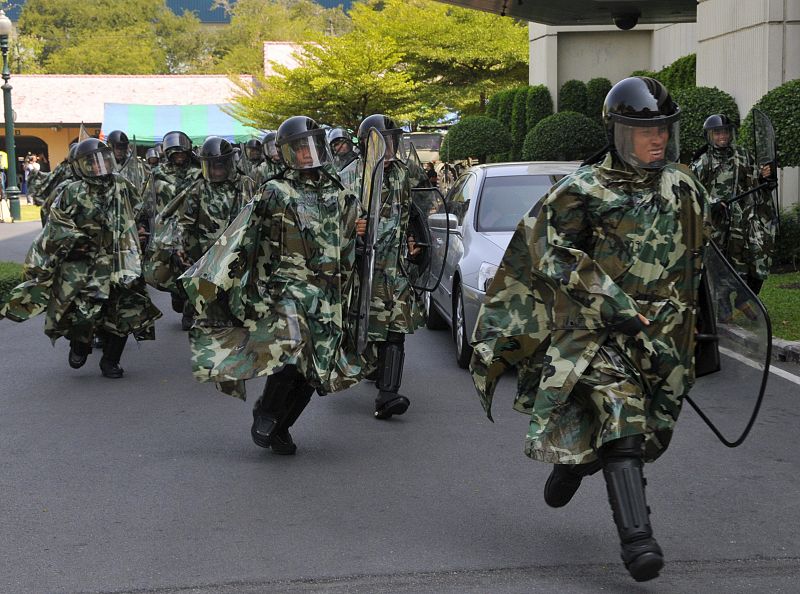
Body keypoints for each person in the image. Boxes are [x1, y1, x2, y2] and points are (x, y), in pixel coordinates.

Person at [469, 77, 709, 582]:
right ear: (618, 132)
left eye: (664, 129)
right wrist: (610, 300)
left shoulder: (684, 186)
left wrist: (700, 337)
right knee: (622, 421)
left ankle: (575, 463)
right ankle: (638, 543)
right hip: (595, 333)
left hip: (659, 339)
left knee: (649, 434)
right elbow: (548, 252)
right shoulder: (580, 190)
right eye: (645, 131)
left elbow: (699, 262)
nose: (658, 139)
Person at [180, 116, 366, 455]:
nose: (307, 154)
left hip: (327, 292)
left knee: (316, 368)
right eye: (299, 149)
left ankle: (282, 426)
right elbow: (243, 235)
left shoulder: (338, 190)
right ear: (287, 153)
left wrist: (360, 229)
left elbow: (349, 234)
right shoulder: (275, 190)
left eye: (311, 146)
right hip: (287, 287)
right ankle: (267, 412)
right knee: (292, 351)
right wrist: (219, 277)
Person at [0, 138, 161, 378]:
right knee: (84, 311)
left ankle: (110, 361)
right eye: (92, 163)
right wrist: (76, 239)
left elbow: (138, 212)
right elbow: (55, 223)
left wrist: (139, 232)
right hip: (84, 264)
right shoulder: (72, 191)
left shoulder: (121, 185)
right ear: (81, 166)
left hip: (120, 260)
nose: (99, 167)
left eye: (102, 160)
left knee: (126, 310)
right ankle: (80, 344)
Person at [352, 114, 424, 420]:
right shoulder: (352, 175)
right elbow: (333, 217)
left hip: (396, 268)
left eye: (393, 140)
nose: (391, 147)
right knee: (365, 328)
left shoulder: (402, 173)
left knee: (396, 328)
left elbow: (408, 211)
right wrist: (350, 227)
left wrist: (413, 239)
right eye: (385, 141)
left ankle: (388, 395)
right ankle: (371, 372)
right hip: (364, 267)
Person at [149, 136, 255, 331]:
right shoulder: (198, 188)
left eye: (220, 166)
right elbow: (184, 221)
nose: (215, 171)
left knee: (240, 306)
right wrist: (179, 247)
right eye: (211, 167)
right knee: (206, 303)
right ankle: (193, 312)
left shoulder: (245, 184)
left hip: (238, 253)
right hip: (206, 254)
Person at [691, 114, 776, 295]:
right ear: (710, 135)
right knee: (715, 264)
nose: (722, 137)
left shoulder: (743, 155)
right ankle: (721, 308)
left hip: (742, 222)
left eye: (725, 132)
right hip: (715, 224)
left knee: (755, 257)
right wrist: (713, 203)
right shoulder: (702, 162)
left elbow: (754, 182)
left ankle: (745, 299)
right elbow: (692, 191)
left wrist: (764, 177)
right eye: (717, 133)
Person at [140, 130, 203, 314]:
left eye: (182, 153)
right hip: (166, 231)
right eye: (175, 153)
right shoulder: (157, 174)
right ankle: (179, 294)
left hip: (192, 228)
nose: (179, 157)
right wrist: (142, 223)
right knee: (162, 271)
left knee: (193, 267)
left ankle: (191, 309)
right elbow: (146, 201)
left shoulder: (199, 172)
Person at [107, 130, 148, 206]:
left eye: (122, 148)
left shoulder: (136, 164)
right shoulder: (105, 165)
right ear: (110, 148)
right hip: (111, 203)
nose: (119, 151)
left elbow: (143, 184)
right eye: (117, 148)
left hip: (132, 203)